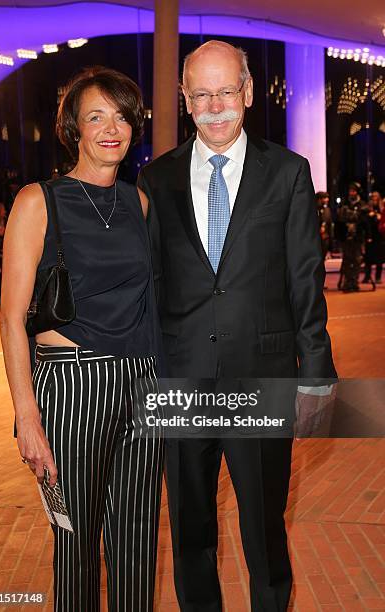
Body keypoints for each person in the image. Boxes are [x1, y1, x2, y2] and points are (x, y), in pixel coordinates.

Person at [138, 40, 337, 611]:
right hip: (181, 379)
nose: (216, 105)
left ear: (248, 93)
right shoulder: (157, 180)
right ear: (184, 98)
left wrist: (316, 374)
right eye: (201, 94)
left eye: (227, 91)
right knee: (190, 531)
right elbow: (152, 282)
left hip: (264, 377)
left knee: (264, 529)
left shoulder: (289, 173)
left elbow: (305, 279)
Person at [0, 66, 164, 612]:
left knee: (137, 539)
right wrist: (27, 417)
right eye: (96, 116)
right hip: (71, 386)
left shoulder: (138, 204)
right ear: (73, 127)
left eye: (121, 116)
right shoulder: (37, 201)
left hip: (141, 385)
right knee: (74, 542)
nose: (110, 128)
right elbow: (10, 318)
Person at [336, 182, 366, 292]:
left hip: (357, 237)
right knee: (347, 260)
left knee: (357, 260)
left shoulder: (362, 204)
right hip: (346, 237)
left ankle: (354, 281)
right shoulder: (345, 203)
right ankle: (347, 282)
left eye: (353, 191)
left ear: (357, 192)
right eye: (350, 191)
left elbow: (362, 219)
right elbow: (340, 218)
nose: (351, 193)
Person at [315, 191, 332, 260]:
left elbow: (329, 225)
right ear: (319, 199)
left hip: (325, 238)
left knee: (322, 257)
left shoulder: (327, 210)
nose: (327, 200)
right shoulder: (313, 210)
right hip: (315, 238)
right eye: (325, 198)